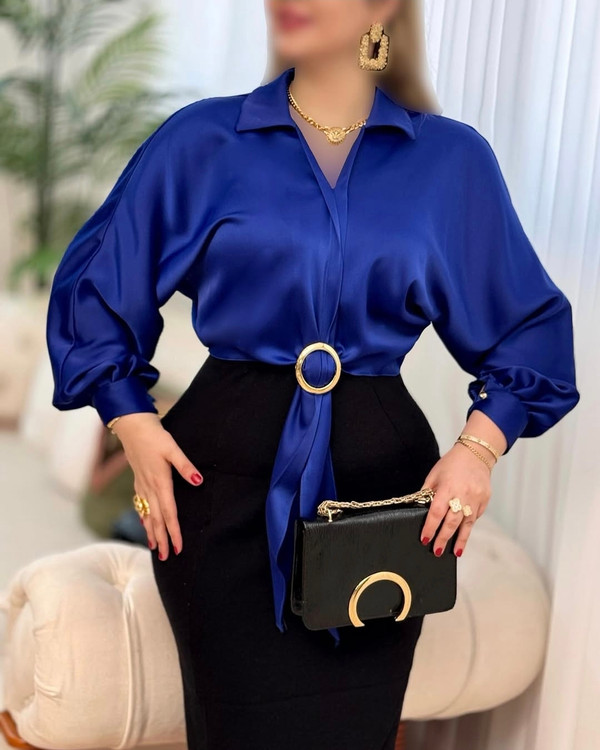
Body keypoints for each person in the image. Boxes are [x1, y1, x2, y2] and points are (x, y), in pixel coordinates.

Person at [45, 1, 580, 748]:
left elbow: (531, 329)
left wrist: (479, 449)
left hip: (381, 497)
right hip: (218, 486)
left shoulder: (451, 162)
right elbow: (97, 285)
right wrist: (129, 418)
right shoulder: (202, 141)